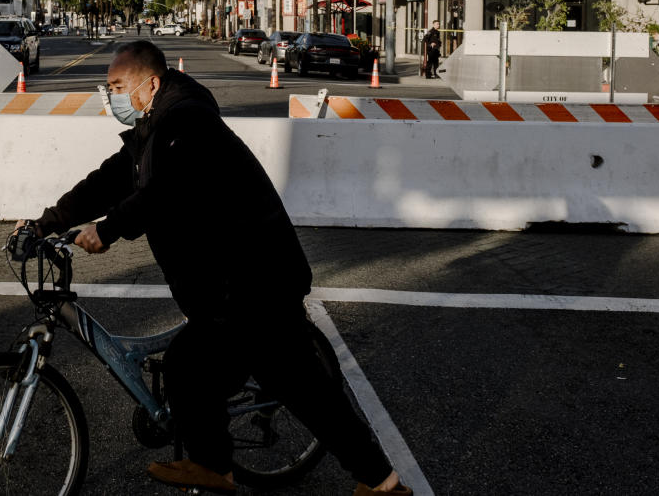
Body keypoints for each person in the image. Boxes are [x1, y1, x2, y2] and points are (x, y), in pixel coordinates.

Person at [21, 40, 411, 496]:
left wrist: (109, 229)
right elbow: (109, 179)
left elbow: (165, 191)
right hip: (230, 286)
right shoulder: (155, 125)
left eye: (117, 86)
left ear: (151, 83)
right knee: (191, 370)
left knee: (303, 393)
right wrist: (45, 222)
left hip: (255, 282)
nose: (112, 97)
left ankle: (382, 484)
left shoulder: (186, 122)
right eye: (108, 88)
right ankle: (214, 467)